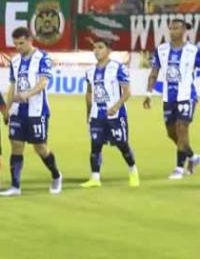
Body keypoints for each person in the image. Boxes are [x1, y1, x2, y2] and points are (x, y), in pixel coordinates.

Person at [0, 26, 63, 197]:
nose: (18, 47)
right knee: (16, 146)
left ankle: (56, 176)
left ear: (29, 40)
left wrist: (27, 94)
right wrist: (7, 108)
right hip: (18, 111)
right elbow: (12, 85)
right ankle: (15, 186)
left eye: (21, 43)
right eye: (15, 44)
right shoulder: (15, 61)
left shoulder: (43, 58)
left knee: (40, 147)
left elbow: (43, 82)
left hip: (37, 110)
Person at [142, 18, 199, 179]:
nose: (173, 31)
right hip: (169, 98)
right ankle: (193, 157)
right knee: (171, 133)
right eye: (171, 28)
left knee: (182, 130)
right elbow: (154, 72)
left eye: (176, 28)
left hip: (187, 96)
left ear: (184, 31)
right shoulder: (161, 50)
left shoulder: (193, 51)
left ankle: (179, 169)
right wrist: (148, 94)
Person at [83, 41, 139, 188]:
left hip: (116, 115)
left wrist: (116, 106)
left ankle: (133, 171)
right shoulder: (90, 71)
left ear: (109, 50)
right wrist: (88, 114)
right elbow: (89, 93)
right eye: (94, 47)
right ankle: (95, 177)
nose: (96, 50)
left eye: (100, 47)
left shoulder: (118, 68)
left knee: (122, 145)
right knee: (95, 146)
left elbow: (127, 91)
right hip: (97, 115)